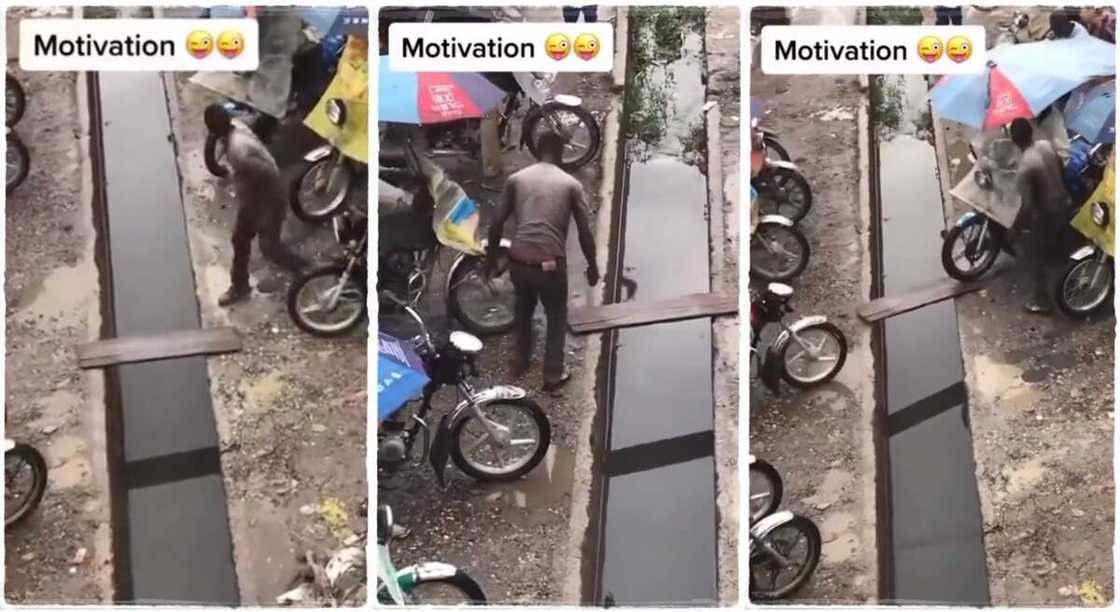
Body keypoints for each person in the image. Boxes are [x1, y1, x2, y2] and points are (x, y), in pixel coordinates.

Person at [488, 131, 599, 392]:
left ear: (537, 151)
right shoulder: (571, 184)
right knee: (557, 315)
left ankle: (520, 360)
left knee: (523, 311)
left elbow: (496, 223)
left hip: (518, 260)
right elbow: (584, 231)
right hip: (550, 265)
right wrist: (592, 266)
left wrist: (491, 260)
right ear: (560, 153)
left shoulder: (517, 179)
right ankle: (552, 375)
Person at [204, 104, 309, 306]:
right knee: (260, 243)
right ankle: (302, 269)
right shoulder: (237, 125)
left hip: (265, 197)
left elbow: (261, 180)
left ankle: (305, 272)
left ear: (215, 130)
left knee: (262, 245)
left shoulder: (240, 154)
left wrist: (250, 208)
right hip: (265, 191)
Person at [1008, 118, 1071, 314]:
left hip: (1047, 214)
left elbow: (1026, 205)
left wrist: (1015, 228)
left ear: (1014, 140)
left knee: (1035, 256)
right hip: (1065, 202)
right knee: (1060, 242)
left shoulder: (1026, 167)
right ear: (1031, 133)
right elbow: (1060, 166)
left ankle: (1042, 301)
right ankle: (1067, 271)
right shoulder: (1044, 146)